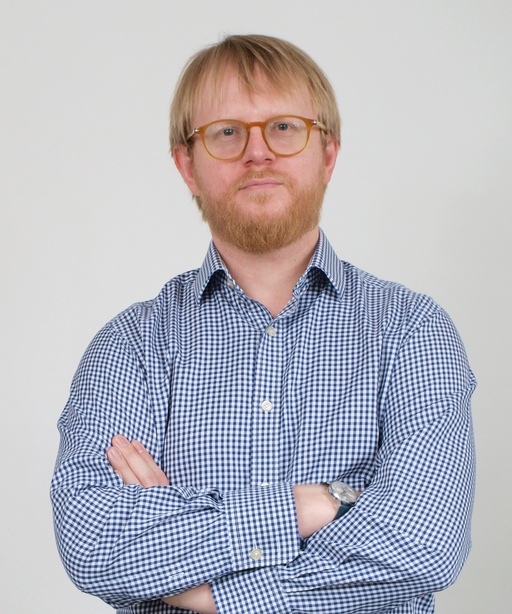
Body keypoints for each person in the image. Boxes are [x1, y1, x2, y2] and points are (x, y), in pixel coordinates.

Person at [51, 34, 476, 614]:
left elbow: (425, 544)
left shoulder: (412, 330)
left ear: (327, 155)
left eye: (284, 127)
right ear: (187, 166)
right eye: (226, 132)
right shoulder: (130, 347)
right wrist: (316, 505)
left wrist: (204, 587)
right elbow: (93, 543)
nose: (258, 152)